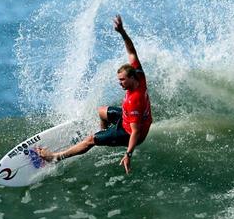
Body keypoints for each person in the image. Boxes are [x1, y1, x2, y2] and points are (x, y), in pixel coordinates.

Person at [38, 15, 152, 174]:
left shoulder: (135, 100)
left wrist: (128, 154)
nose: (119, 83)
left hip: (128, 133)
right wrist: (122, 32)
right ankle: (104, 135)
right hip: (127, 119)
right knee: (101, 111)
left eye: (122, 80)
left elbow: (136, 132)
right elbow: (132, 51)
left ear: (131, 78)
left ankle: (56, 157)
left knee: (90, 139)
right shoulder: (139, 75)